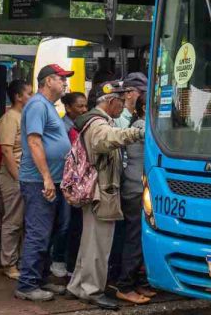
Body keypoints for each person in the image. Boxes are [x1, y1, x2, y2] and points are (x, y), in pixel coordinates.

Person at [66, 81, 144, 310]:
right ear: (111, 101)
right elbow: (109, 139)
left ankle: (78, 285)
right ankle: (92, 289)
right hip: (102, 191)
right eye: (121, 101)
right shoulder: (98, 124)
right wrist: (138, 132)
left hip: (96, 190)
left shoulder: (93, 121)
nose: (123, 106)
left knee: (89, 243)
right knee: (99, 245)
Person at [14, 64, 74, 302]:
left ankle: (40, 278)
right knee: (38, 233)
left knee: (50, 232)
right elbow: (35, 142)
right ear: (48, 81)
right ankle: (27, 284)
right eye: (61, 79)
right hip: (39, 181)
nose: (65, 83)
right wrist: (47, 178)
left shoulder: (47, 106)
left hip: (53, 180)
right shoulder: (38, 105)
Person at [115, 95, 155, 304]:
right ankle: (125, 285)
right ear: (142, 109)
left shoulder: (139, 124)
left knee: (139, 237)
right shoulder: (142, 126)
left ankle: (139, 281)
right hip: (136, 189)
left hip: (136, 187)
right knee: (134, 238)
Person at [0, 79, 33, 280]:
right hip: (14, 174)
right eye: (29, 93)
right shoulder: (10, 117)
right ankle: (8, 263)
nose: (32, 96)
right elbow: (6, 151)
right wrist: (18, 178)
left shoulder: (25, 116)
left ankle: (18, 261)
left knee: (24, 220)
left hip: (26, 174)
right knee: (13, 219)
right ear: (18, 97)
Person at [61, 91, 88, 276]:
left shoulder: (82, 125)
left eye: (85, 106)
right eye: (79, 106)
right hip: (68, 180)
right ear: (68, 108)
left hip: (79, 180)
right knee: (66, 223)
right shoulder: (64, 127)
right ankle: (61, 260)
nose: (84, 109)